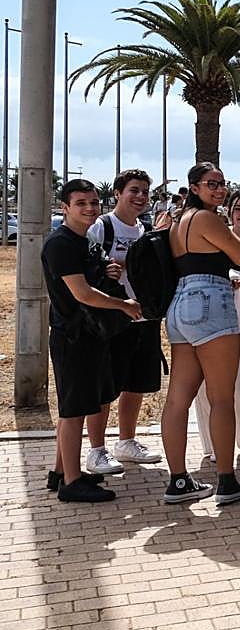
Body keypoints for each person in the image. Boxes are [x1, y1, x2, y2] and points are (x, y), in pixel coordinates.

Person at [160, 163, 240, 505]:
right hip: (210, 301)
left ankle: (178, 480)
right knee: (221, 397)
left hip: (180, 304)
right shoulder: (207, 219)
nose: (219, 189)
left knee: (177, 399)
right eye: (211, 184)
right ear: (194, 187)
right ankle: (226, 481)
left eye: (221, 183)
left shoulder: (177, 223)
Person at [43, 179, 142, 502]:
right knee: (73, 411)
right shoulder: (61, 244)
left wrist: (108, 272)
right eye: (81, 203)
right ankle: (71, 484)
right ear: (65, 207)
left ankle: (61, 472)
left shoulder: (86, 241)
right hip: (72, 337)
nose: (89, 208)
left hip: (93, 336)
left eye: (93, 203)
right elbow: (82, 293)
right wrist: (123, 305)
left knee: (84, 404)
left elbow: (95, 277)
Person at [84, 168, 162, 473]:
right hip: (113, 319)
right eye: (134, 190)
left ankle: (127, 441)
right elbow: (84, 271)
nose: (140, 196)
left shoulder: (146, 231)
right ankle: (96, 449)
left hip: (144, 318)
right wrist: (107, 271)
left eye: (145, 191)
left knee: (136, 383)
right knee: (106, 386)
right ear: (117, 193)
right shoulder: (102, 228)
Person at [192, 188, 240, 463]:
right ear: (230, 212)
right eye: (238, 209)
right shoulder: (217, 236)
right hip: (212, 306)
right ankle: (211, 443)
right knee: (205, 378)